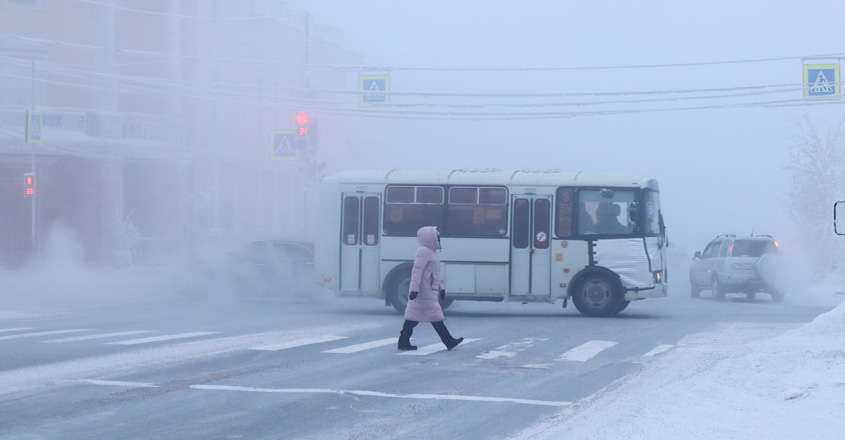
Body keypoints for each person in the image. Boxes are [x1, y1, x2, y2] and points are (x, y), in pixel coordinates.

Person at [398, 226, 464, 351]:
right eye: (437, 237)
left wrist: (441, 288)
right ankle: (448, 341)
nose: (438, 239)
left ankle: (403, 341)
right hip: (424, 291)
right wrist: (414, 290)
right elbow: (417, 272)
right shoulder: (423, 252)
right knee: (435, 316)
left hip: (428, 290)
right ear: (430, 238)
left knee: (414, 317)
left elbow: (433, 274)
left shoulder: (429, 252)